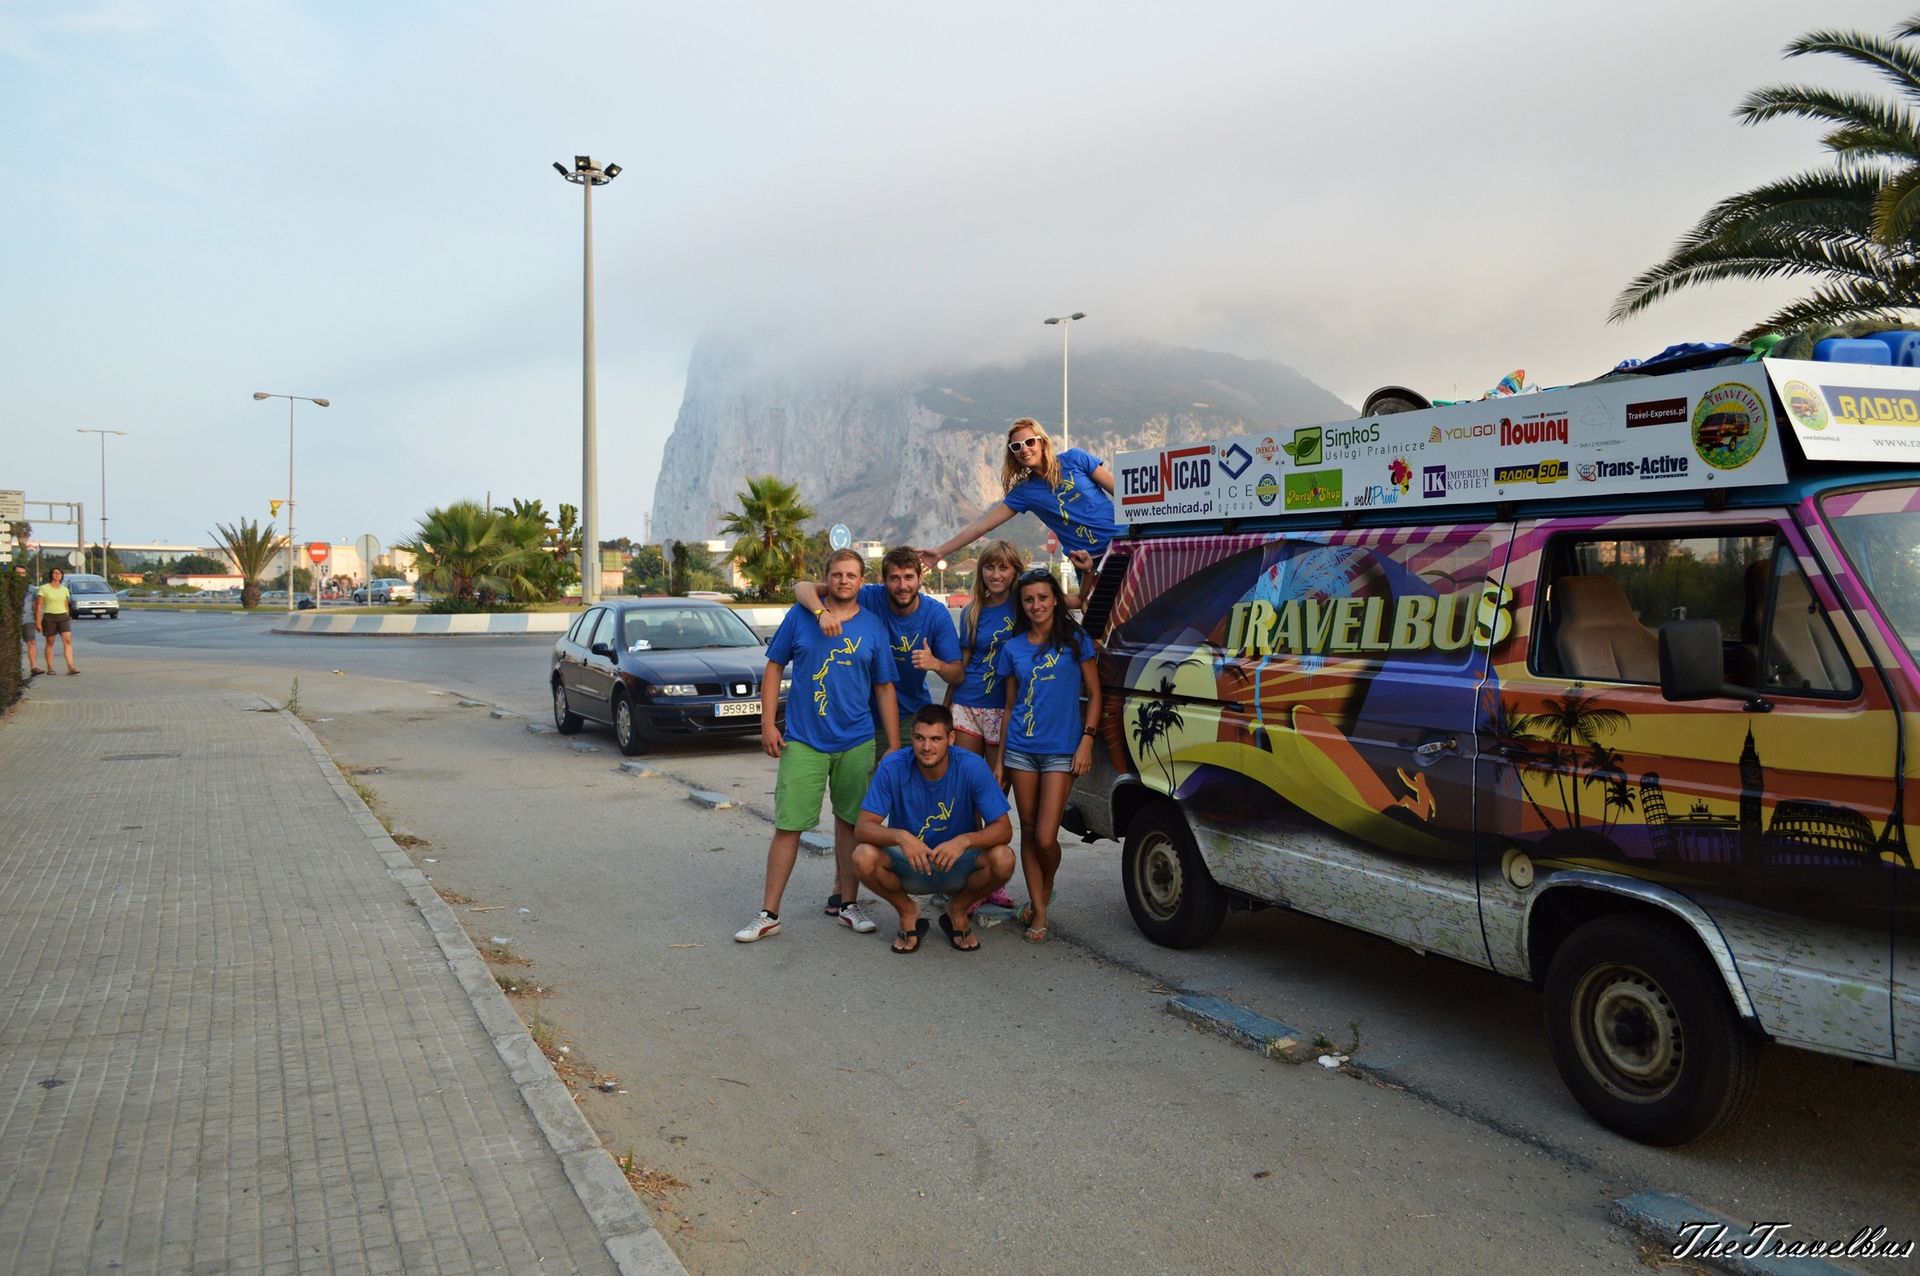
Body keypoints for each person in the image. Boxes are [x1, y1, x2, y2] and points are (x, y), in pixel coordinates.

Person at [735, 548, 900, 943]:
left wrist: (893, 744)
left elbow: (884, 687)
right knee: (789, 826)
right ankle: (768, 913)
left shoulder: (874, 627)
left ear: (862, 581)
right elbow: (774, 668)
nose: (844, 581)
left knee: (850, 825)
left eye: (852, 575)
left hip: (856, 740)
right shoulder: (801, 616)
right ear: (827, 578)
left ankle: (848, 904)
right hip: (804, 740)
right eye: (838, 575)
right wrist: (768, 725)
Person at [852, 705, 1017, 953]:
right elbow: (862, 828)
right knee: (862, 856)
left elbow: (1004, 830)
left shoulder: (972, 766)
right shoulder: (894, 766)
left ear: (951, 739)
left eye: (935, 739)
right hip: (910, 863)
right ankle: (907, 910)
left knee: (1003, 858)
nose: (926, 747)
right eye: (919, 738)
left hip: (958, 863)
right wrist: (901, 836)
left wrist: (964, 841)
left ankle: (958, 909)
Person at [994, 567, 1100, 943]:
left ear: (1055, 598)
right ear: (1022, 606)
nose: (1036, 605)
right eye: (1029, 600)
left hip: (1061, 751)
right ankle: (1039, 911)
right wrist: (1000, 759)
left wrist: (1086, 740)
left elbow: (1095, 694)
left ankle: (1046, 883)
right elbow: (1010, 706)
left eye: (1042, 597)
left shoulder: (1075, 641)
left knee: (1044, 837)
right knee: (1027, 830)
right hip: (1021, 750)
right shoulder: (1012, 647)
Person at [793, 546, 962, 764]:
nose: (902, 586)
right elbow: (802, 588)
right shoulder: (869, 597)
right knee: (869, 793)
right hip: (862, 718)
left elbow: (957, 674)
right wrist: (821, 613)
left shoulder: (935, 614)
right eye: (894, 578)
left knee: (908, 788)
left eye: (909, 577)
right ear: (883, 580)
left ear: (920, 578)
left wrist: (936, 664)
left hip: (909, 715)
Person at [917, 418, 1120, 593]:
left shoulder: (1076, 459)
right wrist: (940, 551)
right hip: (1088, 563)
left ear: (1042, 442)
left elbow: (1122, 493)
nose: (1024, 449)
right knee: (1101, 625)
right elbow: (983, 525)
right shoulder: (1024, 492)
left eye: (1029, 442)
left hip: (1122, 545)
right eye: (1017, 446)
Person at [944, 539, 1026, 908]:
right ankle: (969, 878)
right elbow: (960, 668)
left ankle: (993, 877)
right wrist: (945, 713)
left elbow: (1071, 603)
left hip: (1002, 710)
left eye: (1003, 568)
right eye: (990, 567)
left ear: (1015, 573)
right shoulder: (972, 611)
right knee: (967, 794)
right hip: (967, 706)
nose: (995, 574)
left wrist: (1087, 572)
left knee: (995, 796)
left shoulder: (1023, 607)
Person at [33, 566, 78, 676]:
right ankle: (50, 667)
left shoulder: (65, 589)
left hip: (63, 617)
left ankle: (71, 666)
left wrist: (67, 616)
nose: (57, 574)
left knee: (67, 640)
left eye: (59, 573)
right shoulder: (44, 588)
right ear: (51, 575)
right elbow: (39, 606)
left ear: (62, 576)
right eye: (55, 573)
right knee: (50, 642)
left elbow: (66, 605)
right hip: (49, 617)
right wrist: (38, 622)